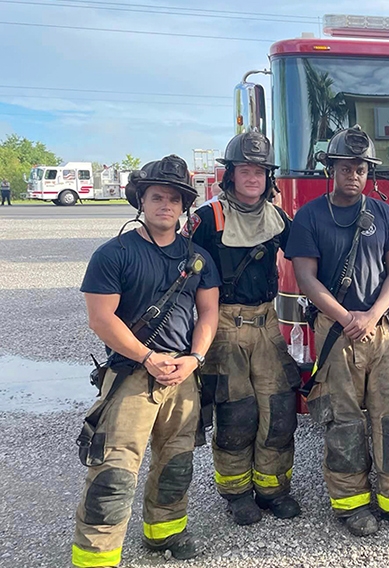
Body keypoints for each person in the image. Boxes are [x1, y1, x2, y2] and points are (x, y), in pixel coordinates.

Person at [73, 155, 220, 567]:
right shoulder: (113, 254)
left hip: (182, 377)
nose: (166, 205)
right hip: (133, 375)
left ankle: (164, 533)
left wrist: (195, 358)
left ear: (184, 206)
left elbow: (209, 313)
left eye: (175, 199)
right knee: (113, 476)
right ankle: (95, 559)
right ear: (141, 200)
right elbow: (101, 319)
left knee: (176, 465)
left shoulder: (199, 258)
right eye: (157, 197)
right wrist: (148, 356)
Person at [287, 125, 389, 537]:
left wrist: (371, 315)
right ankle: (350, 505)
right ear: (331, 169)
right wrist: (347, 318)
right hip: (337, 330)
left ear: (369, 173)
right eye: (346, 167)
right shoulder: (311, 216)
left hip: (382, 327)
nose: (354, 174)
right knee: (343, 420)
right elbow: (306, 278)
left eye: (361, 169)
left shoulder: (383, 214)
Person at [184, 131, 301, 525]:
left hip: (267, 321)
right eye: (245, 170)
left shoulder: (278, 218)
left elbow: (307, 258)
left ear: (269, 179)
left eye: (260, 171)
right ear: (230, 175)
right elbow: (183, 277)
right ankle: (236, 493)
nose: (253, 178)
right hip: (224, 325)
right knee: (237, 414)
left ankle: (273, 489)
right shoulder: (205, 219)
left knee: (279, 408)